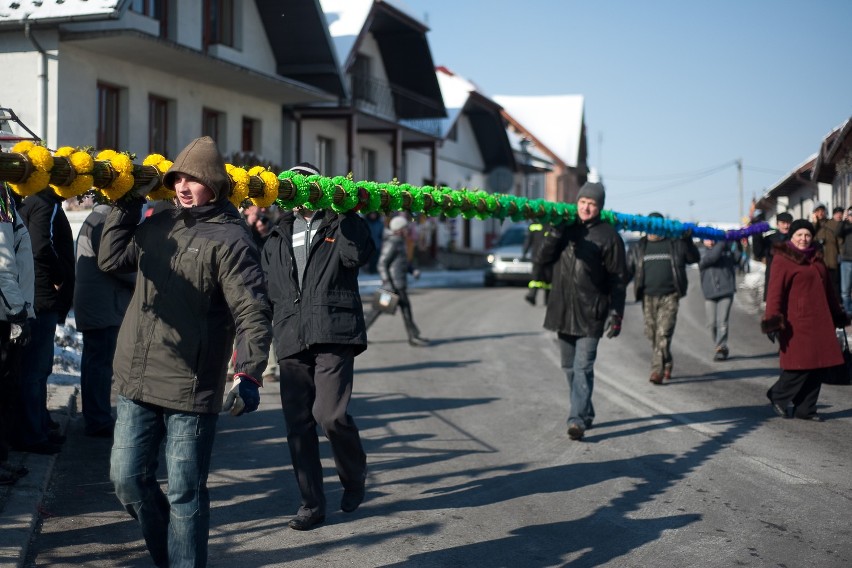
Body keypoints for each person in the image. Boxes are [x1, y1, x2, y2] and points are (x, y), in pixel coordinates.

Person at [99, 136, 272, 567]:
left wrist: (248, 372)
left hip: (189, 387)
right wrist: (125, 206)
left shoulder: (232, 240)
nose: (183, 186)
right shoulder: (158, 223)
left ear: (214, 184)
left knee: (185, 492)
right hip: (136, 378)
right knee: (126, 480)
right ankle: (168, 556)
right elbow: (111, 259)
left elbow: (252, 310)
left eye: (194, 179)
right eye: (179, 178)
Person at [261, 162, 374, 531]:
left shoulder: (336, 223)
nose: (299, 191)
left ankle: (354, 476)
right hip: (292, 336)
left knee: (330, 415)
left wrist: (348, 213)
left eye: (306, 182)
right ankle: (311, 504)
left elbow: (357, 256)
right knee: (298, 424)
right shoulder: (277, 236)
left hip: (333, 331)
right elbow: (267, 290)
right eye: (292, 184)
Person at [535, 181, 628, 441]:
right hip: (562, 310)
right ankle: (585, 409)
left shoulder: (609, 236)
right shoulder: (564, 228)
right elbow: (542, 259)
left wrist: (616, 313)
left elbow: (618, 279)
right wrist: (554, 232)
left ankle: (576, 419)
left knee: (583, 367)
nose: (586, 207)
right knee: (568, 367)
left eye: (592, 203)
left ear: (599, 207)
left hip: (592, 313)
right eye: (583, 202)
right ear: (577, 203)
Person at [761, 219, 848, 421]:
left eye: (807, 235)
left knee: (819, 364)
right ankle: (778, 395)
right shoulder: (782, 259)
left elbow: (829, 292)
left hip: (820, 320)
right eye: (799, 235)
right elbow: (774, 293)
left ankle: (806, 409)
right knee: (799, 364)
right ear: (791, 237)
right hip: (796, 322)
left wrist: (838, 315)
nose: (804, 239)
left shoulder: (816, 259)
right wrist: (773, 320)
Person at [15, 185, 75, 454]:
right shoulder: (45, 204)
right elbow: (41, 246)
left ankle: (38, 425)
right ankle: (33, 433)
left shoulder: (35, 202)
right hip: (41, 297)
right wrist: (59, 277)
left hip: (35, 295)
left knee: (35, 371)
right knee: (36, 371)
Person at [73, 203, 135, 438]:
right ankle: (97, 419)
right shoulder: (104, 222)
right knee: (99, 364)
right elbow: (114, 264)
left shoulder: (98, 218)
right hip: (104, 304)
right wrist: (143, 278)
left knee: (95, 362)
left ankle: (95, 416)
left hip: (99, 303)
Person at [626, 212, 700, 384]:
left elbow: (694, 258)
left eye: (658, 225)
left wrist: (687, 241)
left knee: (663, 333)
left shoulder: (674, 244)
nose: (654, 229)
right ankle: (667, 361)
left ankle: (656, 371)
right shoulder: (639, 247)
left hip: (670, 296)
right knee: (651, 334)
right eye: (651, 225)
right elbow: (626, 270)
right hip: (648, 297)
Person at [0, 182, 33, 484]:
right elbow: (3, 264)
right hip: (4, 312)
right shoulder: (0, 200)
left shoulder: (6, 199)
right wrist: (17, 312)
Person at [364, 215, 428, 346]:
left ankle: (413, 336)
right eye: (405, 228)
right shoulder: (393, 242)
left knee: (401, 310)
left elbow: (402, 262)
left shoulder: (399, 242)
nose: (407, 230)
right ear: (399, 229)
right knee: (379, 310)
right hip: (393, 285)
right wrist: (387, 281)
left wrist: (412, 270)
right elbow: (382, 264)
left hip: (397, 284)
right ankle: (413, 337)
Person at [698, 239, 737, 361]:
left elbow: (738, 258)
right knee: (711, 324)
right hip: (709, 293)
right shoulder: (701, 252)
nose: (710, 241)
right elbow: (712, 258)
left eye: (712, 238)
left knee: (722, 322)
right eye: (707, 238)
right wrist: (722, 243)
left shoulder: (725, 249)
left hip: (726, 291)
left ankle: (721, 347)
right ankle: (719, 345)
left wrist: (733, 244)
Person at [752, 211, 792, 302]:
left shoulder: (795, 240)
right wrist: (757, 234)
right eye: (783, 223)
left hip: (790, 279)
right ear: (777, 224)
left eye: (788, 223)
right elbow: (758, 253)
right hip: (773, 278)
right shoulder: (769, 239)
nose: (786, 226)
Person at [811, 202, 841, 303]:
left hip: (832, 259)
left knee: (834, 285)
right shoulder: (812, 226)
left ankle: (837, 306)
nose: (820, 213)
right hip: (819, 261)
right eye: (818, 211)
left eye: (822, 211)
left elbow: (839, 240)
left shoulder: (832, 224)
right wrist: (815, 223)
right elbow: (810, 237)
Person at [523, 222, 551, 306]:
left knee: (548, 279)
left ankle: (547, 299)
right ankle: (532, 295)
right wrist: (525, 251)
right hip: (538, 256)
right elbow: (528, 239)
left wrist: (525, 251)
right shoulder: (534, 225)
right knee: (536, 278)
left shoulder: (550, 223)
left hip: (548, 256)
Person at [838, 206, 852, 314]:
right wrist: (844, 219)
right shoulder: (845, 227)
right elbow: (837, 233)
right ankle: (848, 312)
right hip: (846, 260)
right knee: (845, 291)